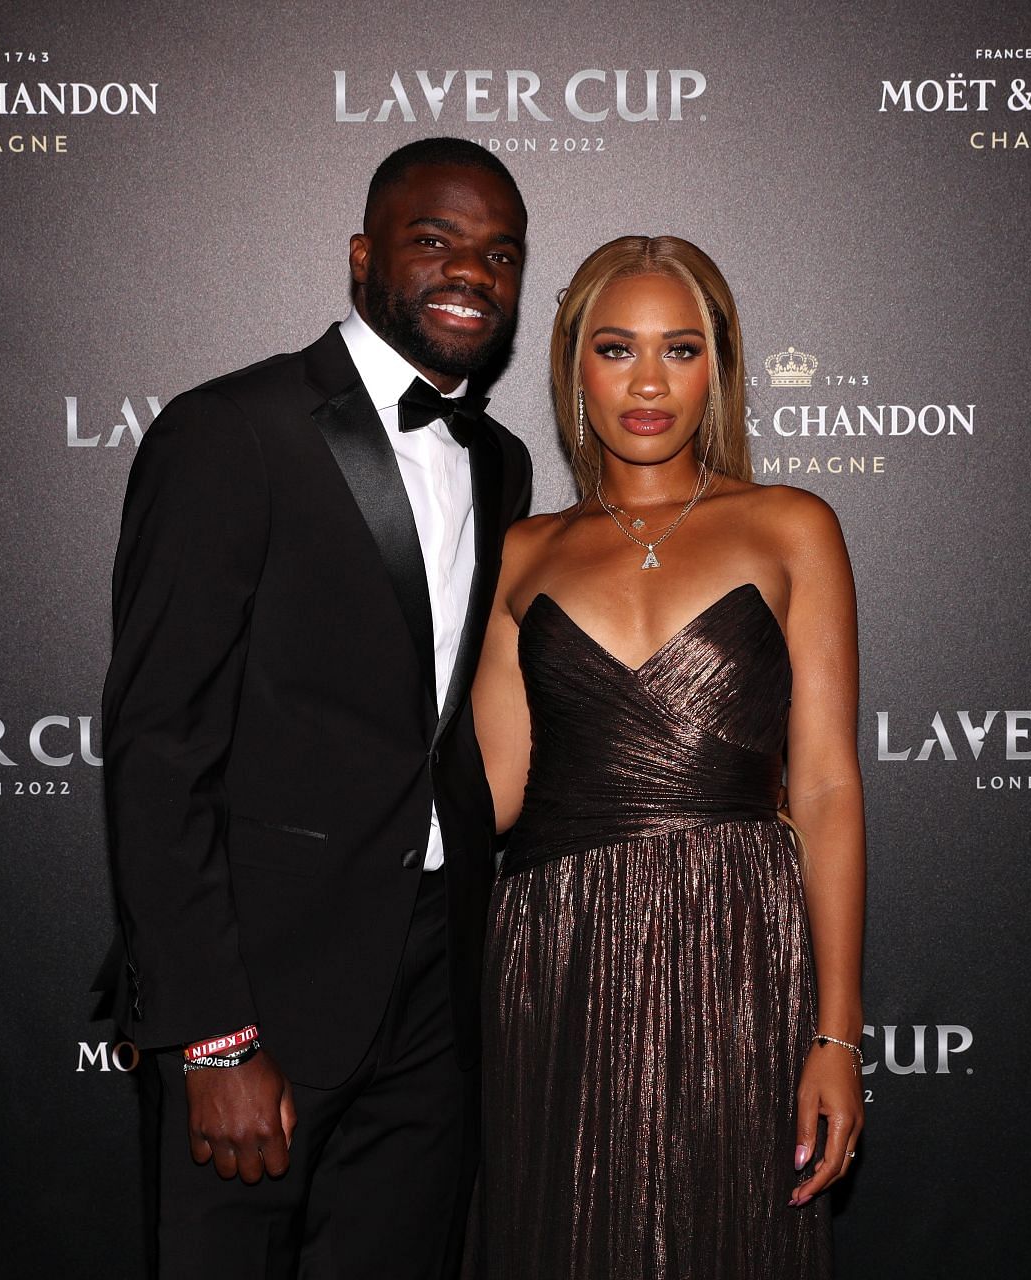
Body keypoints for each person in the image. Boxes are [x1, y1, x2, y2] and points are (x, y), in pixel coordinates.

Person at [95, 137, 533, 1278]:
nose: (470, 272)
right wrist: (213, 1033)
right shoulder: (230, 430)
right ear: (362, 256)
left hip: (439, 995)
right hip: (262, 995)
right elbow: (157, 747)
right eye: (434, 240)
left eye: (499, 254)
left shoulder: (502, 463)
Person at [469, 236, 866, 1277]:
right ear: (572, 366)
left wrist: (836, 1034)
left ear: (719, 367)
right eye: (616, 348)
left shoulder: (789, 527)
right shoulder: (521, 550)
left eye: (681, 349)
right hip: (556, 947)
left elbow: (823, 787)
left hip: (740, 938)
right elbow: (488, 794)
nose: (648, 381)